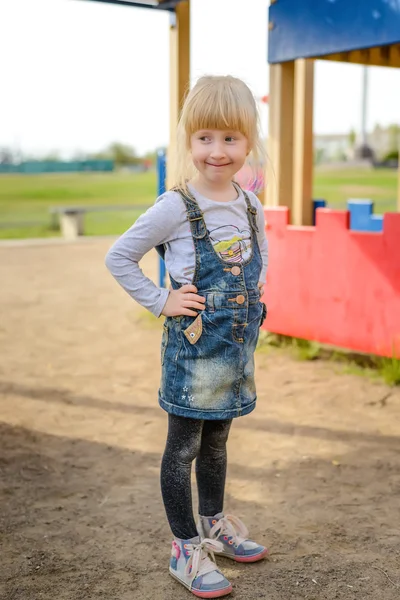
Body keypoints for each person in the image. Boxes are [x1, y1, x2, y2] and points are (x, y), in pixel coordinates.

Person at [105, 75, 269, 598]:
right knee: (183, 449)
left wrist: (256, 301)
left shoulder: (249, 205)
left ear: (249, 142)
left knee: (218, 441)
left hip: (235, 348)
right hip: (195, 348)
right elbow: (119, 257)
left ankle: (214, 526)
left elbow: (256, 265)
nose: (217, 151)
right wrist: (161, 300)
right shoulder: (175, 206)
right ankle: (184, 547)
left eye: (230, 138)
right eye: (204, 138)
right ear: (188, 141)